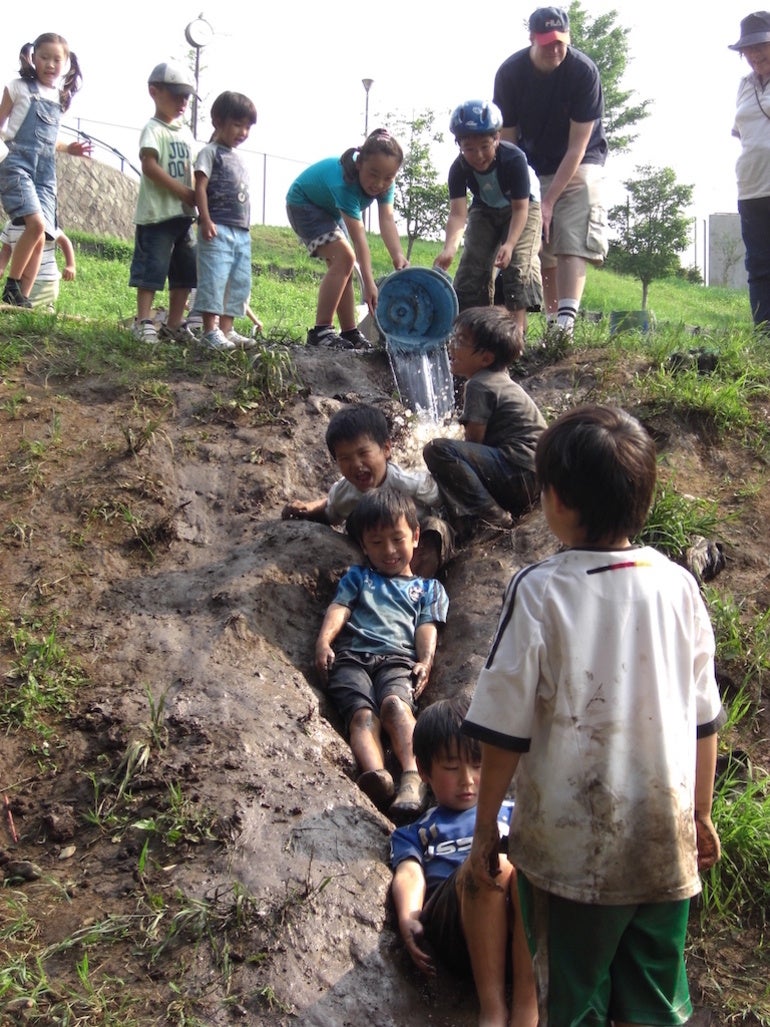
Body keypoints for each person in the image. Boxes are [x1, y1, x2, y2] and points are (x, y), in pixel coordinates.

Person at [461, 404, 725, 1026]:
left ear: (557, 500)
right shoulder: (678, 586)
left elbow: (504, 730)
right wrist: (701, 815)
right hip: (664, 841)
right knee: (655, 1005)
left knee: (573, 1003)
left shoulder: (541, 589)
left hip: (572, 851)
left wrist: (482, 831)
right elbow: (703, 718)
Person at [390, 696, 538, 1027]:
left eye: (478, 764)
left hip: (520, 924)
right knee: (489, 863)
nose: (467, 779)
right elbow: (410, 873)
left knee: (530, 869)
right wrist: (409, 916)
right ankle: (493, 1011)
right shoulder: (417, 830)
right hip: (454, 924)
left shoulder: (515, 812)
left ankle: (528, 1010)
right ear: (425, 771)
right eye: (453, 768)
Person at [314, 487, 449, 822]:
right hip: (351, 658)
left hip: (397, 660)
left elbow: (426, 627)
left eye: (396, 539)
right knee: (361, 714)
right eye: (376, 543)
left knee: (395, 706)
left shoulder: (429, 589)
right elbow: (340, 608)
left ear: (416, 536)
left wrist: (425, 660)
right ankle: (376, 775)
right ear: (363, 545)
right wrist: (324, 642)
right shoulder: (358, 577)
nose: (388, 551)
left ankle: (413, 776)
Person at [493, 6, 609, 339]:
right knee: (540, 240)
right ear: (532, 40)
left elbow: (578, 148)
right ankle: (550, 319)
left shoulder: (583, 72)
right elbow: (509, 146)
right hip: (530, 162)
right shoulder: (510, 74)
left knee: (570, 231)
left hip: (580, 160)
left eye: (560, 41)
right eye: (546, 43)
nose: (555, 49)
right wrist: (525, 199)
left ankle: (566, 324)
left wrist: (550, 201)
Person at [282, 403, 454, 579]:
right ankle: (374, 582)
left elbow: (444, 498)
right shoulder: (345, 492)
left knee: (436, 527)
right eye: (345, 458)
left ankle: (417, 588)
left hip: (416, 547)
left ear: (386, 449)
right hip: (379, 557)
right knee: (353, 524)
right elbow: (330, 511)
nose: (356, 464)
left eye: (363, 453)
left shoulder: (408, 482)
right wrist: (307, 508)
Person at [423, 307, 546, 542]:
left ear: (486, 358)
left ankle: (490, 517)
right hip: (535, 476)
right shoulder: (500, 379)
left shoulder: (479, 385)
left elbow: (474, 441)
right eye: (454, 338)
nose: (452, 346)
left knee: (437, 450)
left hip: (519, 472)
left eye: (461, 341)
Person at [286, 129, 409, 350]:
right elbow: (359, 237)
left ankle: (350, 332)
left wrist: (398, 255)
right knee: (344, 257)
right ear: (359, 163)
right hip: (304, 204)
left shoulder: (384, 183)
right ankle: (321, 331)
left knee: (345, 264)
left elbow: (387, 219)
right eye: (373, 174)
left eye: (388, 177)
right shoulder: (344, 183)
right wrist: (369, 284)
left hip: (330, 210)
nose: (379, 183)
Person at [435, 100, 542, 338]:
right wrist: (449, 247)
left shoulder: (513, 159)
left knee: (517, 264)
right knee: (472, 266)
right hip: (485, 208)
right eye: (469, 148)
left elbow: (520, 208)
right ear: (459, 145)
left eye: (485, 146)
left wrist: (510, 243)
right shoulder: (459, 168)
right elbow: (458, 213)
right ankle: (473, 334)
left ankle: (516, 337)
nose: (478, 155)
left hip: (524, 208)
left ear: (496, 138)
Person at [0, 33, 90, 308]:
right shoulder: (17, 88)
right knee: (36, 224)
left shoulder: (59, 98)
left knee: (44, 233)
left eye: (57, 59)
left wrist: (68, 148)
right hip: (17, 163)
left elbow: (50, 141)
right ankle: (12, 288)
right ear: (33, 57)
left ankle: (22, 299)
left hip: (46, 172)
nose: (50, 64)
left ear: (66, 64)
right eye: (44, 57)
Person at [128, 62, 198, 345]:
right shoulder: (153, 129)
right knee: (152, 268)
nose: (183, 102)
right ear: (154, 92)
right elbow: (149, 166)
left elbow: (191, 169)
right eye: (176, 95)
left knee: (185, 271)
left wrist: (195, 197)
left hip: (183, 216)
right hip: (157, 215)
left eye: (186, 97)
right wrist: (182, 191)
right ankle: (144, 320)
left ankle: (174, 323)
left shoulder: (185, 132)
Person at [194, 91, 258, 352]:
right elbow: (199, 187)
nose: (243, 131)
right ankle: (210, 330)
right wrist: (206, 219)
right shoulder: (210, 153)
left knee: (238, 281)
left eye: (247, 126)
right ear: (218, 121)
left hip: (241, 232)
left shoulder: (239, 158)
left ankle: (227, 329)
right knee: (214, 278)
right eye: (237, 124)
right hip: (217, 228)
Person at [729, 11, 770, 331]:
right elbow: (741, 133)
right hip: (752, 187)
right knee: (758, 265)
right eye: (749, 49)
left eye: (762, 46)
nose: (755, 54)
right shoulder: (745, 86)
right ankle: (764, 337)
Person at [0, 219, 75, 311]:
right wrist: (1, 267)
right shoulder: (11, 224)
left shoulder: (43, 222)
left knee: (15, 307)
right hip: (22, 279)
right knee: (14, 299)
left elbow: (64, 241)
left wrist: (70, 265)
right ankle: (45, 306)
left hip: (44, 278)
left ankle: (42, 306)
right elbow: (6, 250)